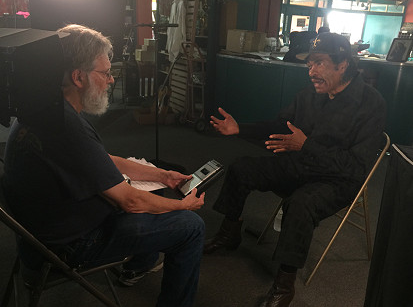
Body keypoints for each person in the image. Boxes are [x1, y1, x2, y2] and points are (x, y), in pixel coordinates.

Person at [3, 24, 205, 307]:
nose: (111, 80)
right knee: (191, 226)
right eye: (106, 73)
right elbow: (131, 202)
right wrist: (184, 206)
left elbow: (101, 159)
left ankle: (135, 267)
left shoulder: (42, 109)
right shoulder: (67, 128)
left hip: (41, 236)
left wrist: (165, 175)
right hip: (69, 246)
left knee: (155, 188)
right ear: (78, 77)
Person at [204, 33, 386, 307]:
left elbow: (356, 167)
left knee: (300, 204)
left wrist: (306, 146)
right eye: (309, 64)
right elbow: (280, 126)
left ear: (343, 64)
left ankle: (284, 285)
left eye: (320, 63)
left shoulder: (371, 104)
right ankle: (229, 234)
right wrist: (241, 128)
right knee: (242, 168)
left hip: (339, 180)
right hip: (302, 164)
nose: (311, 71)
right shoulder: (309, 95)